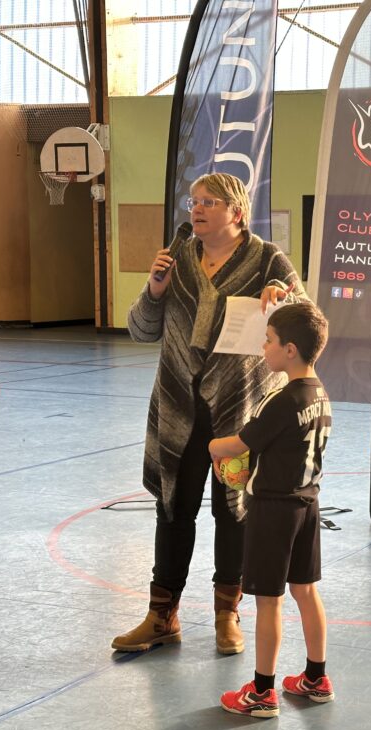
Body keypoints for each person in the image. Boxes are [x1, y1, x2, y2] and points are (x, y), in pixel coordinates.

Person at [113, 172, 304, 655]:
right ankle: (162, 616)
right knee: (173, 507)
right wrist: (155, 288)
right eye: (193, 201)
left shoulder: (267, 259)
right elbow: (140, 329)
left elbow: (304, 319)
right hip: (180, 404)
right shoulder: (177, 258)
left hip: (240, 409)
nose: (196, 209)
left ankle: (227, 614)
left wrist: (281, 299)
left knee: (232, 509)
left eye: (209, 202)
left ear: (236, 212)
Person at [209, 303, 333, 718]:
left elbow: (242, 443)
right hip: (308, 503)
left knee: (268, 601)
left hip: (274, 510)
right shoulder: (320, 393)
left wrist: (212, 448)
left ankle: (262, 692)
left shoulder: (280, 399)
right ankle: (316, 677)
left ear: (291, 350)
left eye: (269, 340)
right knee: (306, 590)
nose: (263, 347)